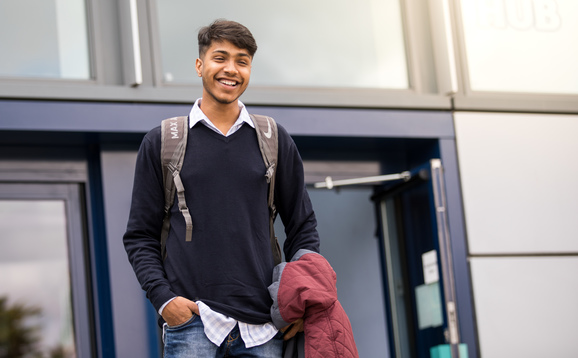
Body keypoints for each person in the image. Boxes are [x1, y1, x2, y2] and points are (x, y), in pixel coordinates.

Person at [123, 19, 320, 357]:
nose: (231, 69)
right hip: (192, 325)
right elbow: (140, 235)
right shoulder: (163, 142)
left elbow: (303, 228)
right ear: (200, 65)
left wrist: (300, 299)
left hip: (264, 329)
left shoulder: (273, 140)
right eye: (220, 57)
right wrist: (165, 300)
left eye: (242, 61)